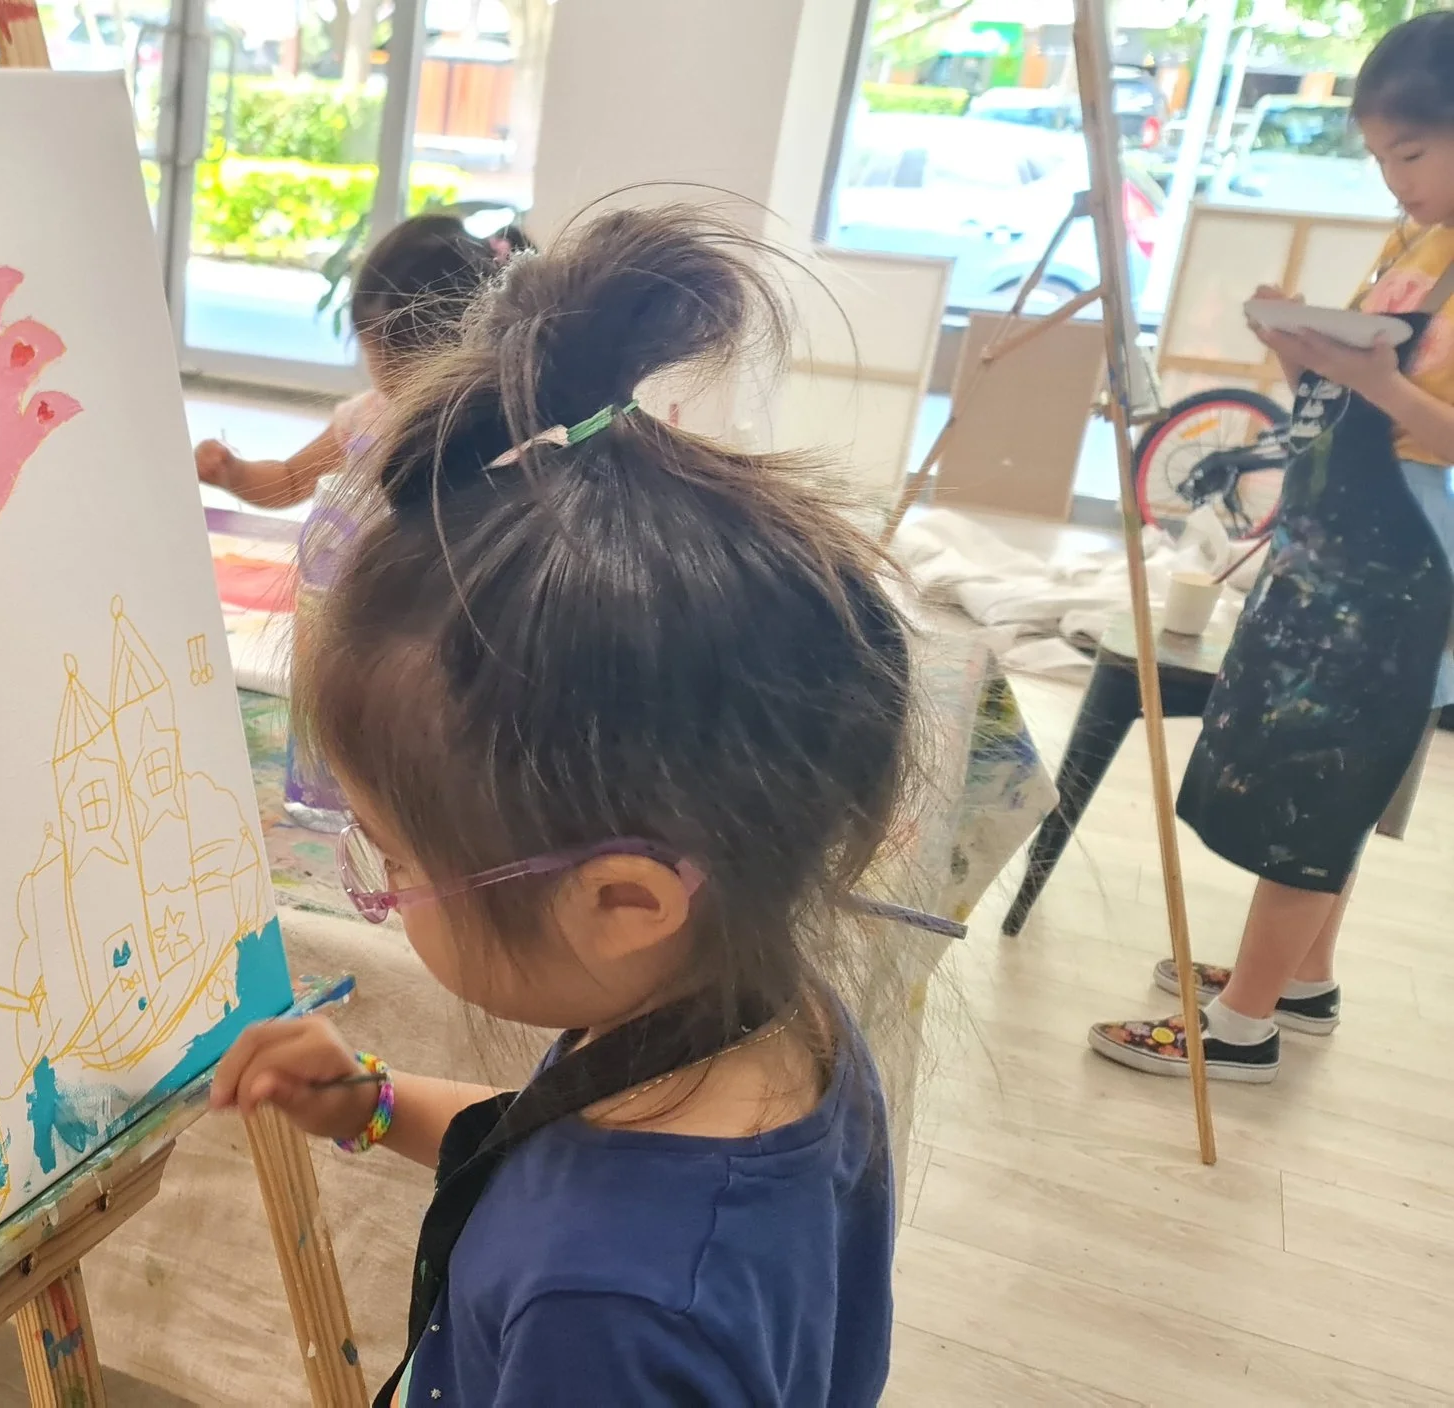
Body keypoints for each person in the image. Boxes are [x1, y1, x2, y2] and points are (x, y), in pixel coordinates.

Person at [208, 203, 960, 1403]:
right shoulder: (766, 1020)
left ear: (622, 900)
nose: (378, 888)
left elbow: (591, 1222)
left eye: (389, 857)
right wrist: (374, 1104)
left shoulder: (604, 1314)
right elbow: (554, 1141)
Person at [1092, 11, 1454, 1084]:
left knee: (1320, 779)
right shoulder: (1418, 239)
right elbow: (1359, 376)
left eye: (1412, 154)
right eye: (1379, 157)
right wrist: (1301, 344)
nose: (1394, 181)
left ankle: (1239, 1027)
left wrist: (1370, 379)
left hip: (1405, 554)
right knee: (1317, 765)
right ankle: (1300, 980)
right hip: (1338, 532)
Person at [192, 212, 524, 507]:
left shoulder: (496, 430)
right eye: (375, 353)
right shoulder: (367, 418)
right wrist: (236, 474)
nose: (385, 376)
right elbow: (290, 480)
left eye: (399, 362)